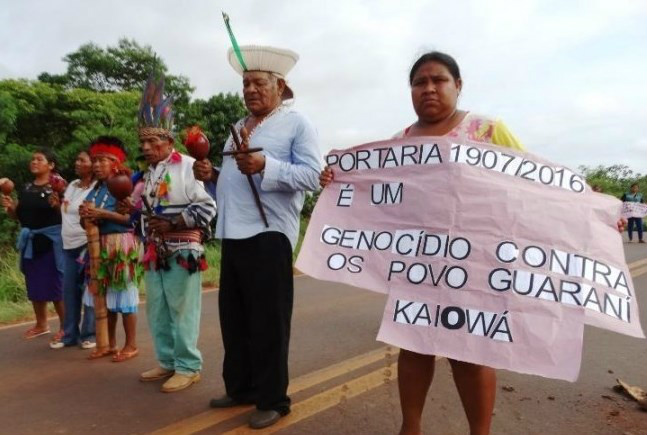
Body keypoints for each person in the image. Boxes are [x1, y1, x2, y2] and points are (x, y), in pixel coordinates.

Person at [320, 51, 628, 435]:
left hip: (475, 267)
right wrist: (338, 181)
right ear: (411, 91)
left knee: (470, 352)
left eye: (439, 80)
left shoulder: (486, 130)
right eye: (419, 82)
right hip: (418, 264)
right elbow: (377, 194)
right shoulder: (398, 143)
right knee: (414, 344)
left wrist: (591, 208)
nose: (429, 88)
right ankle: (410, 428)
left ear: (458, 85)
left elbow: (537, 178)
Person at [193, 45, 321, 429]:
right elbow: (234, 179)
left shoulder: (298, 123)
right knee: (234, 318)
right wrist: (212, 174)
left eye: (259, 83)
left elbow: (313, 176)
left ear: (280, 86)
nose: (250, 89)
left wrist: (267, 164)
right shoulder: (238, 126)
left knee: (268, 321)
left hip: (269, 234)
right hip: (233, 233)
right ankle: (242, 387)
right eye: (246, 83)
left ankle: (272, 399)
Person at [135, 73, 217, 393]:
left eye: (151, 142)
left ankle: (188, 366)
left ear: (168, 142)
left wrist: (174, 223)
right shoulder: (150, 172)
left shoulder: (187, 165)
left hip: (183, 250)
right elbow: (147, 211)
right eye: (143, 142)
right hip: (155, 251)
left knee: (183, 310)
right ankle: (168, 361)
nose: (145, 147)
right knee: (157, 308)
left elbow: (209, 206)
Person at [79, 137, 141, 362]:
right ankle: (109, 344)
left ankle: (131, 344)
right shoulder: (95, 190)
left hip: (120, 244)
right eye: (94, 160)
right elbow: (88, 220)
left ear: (115, 162)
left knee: (124, 295)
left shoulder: (124, 183)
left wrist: (102, 214)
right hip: (98, 247)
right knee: (105, 296)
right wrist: (83, 216)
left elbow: (129, 218)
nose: (96, 165)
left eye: (102, 160)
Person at [1, 149, 66, 341]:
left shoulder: (58, 185)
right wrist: (10, 207)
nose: (34, 162)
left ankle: (65, 326)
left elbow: (68, 215)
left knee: (56, 285)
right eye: (33, 159)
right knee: (35, 283)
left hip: (52, 240)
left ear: (51, 165)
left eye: (40, 159)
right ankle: (41, 324)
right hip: (30, 240)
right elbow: (18, 216)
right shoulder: (26, 187)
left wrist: (58, 206)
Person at [49, 150, 97, 350]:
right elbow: (66, 214)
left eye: (82, 160)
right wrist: (55, 206)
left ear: (92, 165)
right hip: (67, 245)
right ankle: (69, 334)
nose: (76, 162)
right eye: (76, 159)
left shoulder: (97, 188)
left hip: (86, 244)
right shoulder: (72, 186)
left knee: (88, 291)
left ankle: (90, 334)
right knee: (69, 291)